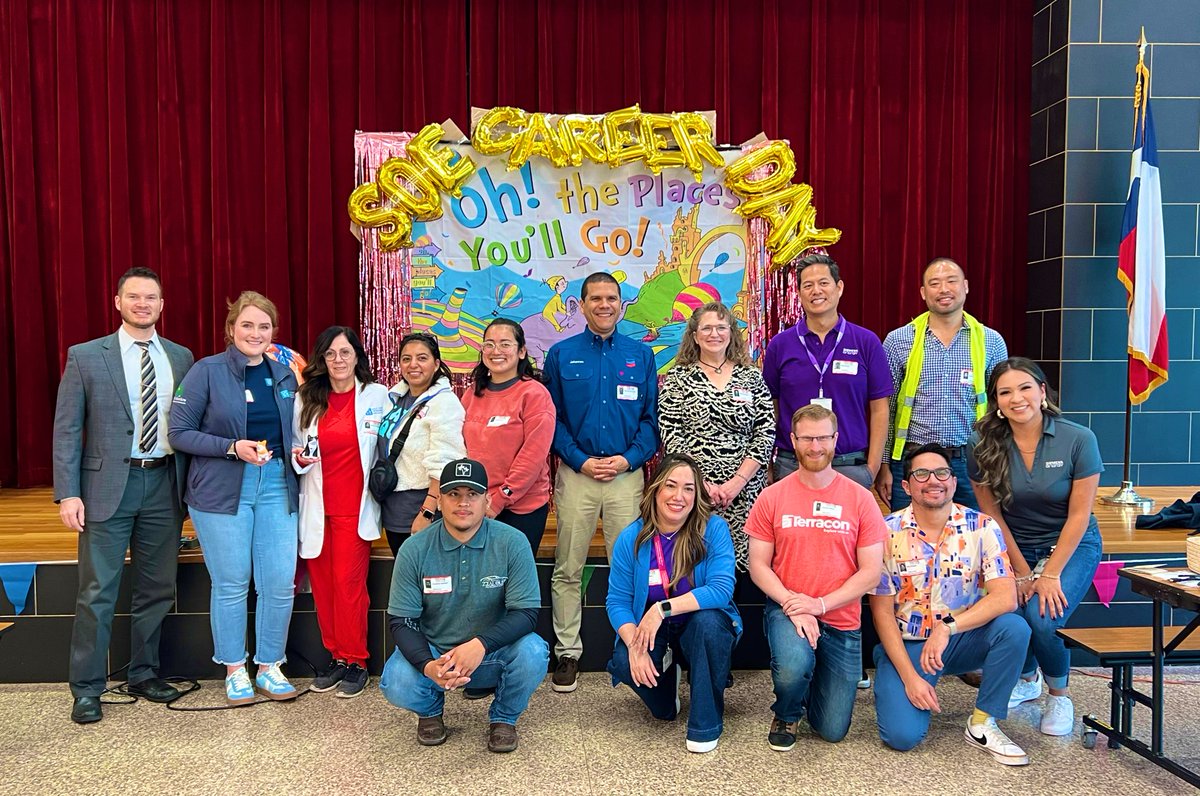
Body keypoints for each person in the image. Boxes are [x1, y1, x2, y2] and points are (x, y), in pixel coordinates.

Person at [53, 267, 194, 724]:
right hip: (104, 488)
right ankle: (87, 688)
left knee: (156, 588)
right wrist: (67, 494)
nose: (142, 304)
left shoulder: (180, 357)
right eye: (133, 297)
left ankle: (144, 672)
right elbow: (67, 429)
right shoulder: (86, 356)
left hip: (163, 485)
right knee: (97, 590)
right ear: (118, 302)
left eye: (150, 297)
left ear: (161, 304)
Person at [168, 291, 301, 705]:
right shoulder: (205, 371)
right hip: (221, 489)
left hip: (277, 482)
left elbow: (296, 427)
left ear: (273, 333)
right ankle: (233, 669)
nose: (255, 333)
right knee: (231, 583)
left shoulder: (284, 373)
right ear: (231, 330)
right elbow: (179, 433)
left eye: (264, 326)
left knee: (279, 582)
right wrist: (231, 447)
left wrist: (298, 451)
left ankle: (269, 666)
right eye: (247, 325)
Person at [870, 443, 1031, 765]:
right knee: (901, 737)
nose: (934, 480)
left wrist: (948, 629)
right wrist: (910, 677)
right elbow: (881, 613)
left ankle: (983, 722)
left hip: (961, 640)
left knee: (1014, 628)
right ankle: (893, 669)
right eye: (922, 474)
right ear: (906, 485)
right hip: (909, 645)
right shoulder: (885, 533)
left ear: (953, 481)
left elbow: (1005, 596)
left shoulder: (982, 527)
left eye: (942, 472)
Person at [967, 357, 1103, 736]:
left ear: (1043, 392)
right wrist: (1023, 573)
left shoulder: (1078, 439)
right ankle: (1028, 680)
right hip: (1012, 544)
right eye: (1005, 392)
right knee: (1012, 608)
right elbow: (991, 515)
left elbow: (1079, 517)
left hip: (1070, 544)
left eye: (1025, 387)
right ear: (995, 401)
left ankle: (1059, 694)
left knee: (1044, 617)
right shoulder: (980, 442)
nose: (1016, 398)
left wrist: (1049, 574)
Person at [379, 458, 548, 753]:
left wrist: (481, 645)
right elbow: (401, 621)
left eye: (472, 494)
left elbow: (526, 614)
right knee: (396, 680)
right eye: (453, 494)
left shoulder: (513, 542)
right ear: (440, 500)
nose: (463, 502)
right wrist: (427, 664)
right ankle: (430, 712)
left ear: (487, 500)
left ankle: (504, 717)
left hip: (491, 653)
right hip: (436, 653)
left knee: (533, 651)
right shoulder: (414, 549)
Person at [543, 271, 658, 693]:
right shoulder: (560, 354)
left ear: (622, 304)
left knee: (627, 568)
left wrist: (627, 460)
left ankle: (628, 648)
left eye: (611, 297)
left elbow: (651, 421)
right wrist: (580, 460)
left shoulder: (640, 356)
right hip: (577, 476)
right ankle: (568, 653)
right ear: (582, 303)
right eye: (596, 298)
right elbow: (550, 420)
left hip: (626, 478)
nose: (604, 304)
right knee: (568, 567)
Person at [745, 404, 885, 750]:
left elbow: (871, 573)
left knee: (832, 729)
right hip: (787, 609)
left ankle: (812, 679)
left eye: (823, 437)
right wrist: (796, 604)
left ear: (836, 440)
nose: (815, 446)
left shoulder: (861, 499)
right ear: (793, 440)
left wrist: (819, 604)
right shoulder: (772, 496)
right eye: (807, 438)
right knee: (793, 666)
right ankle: (788, 710)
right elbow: (758, 565)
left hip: (840, 617)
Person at [605, 453, 741, 753]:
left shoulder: (713, 530)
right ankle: (667, 693)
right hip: (655, 632)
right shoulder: (633, 538)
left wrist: (661, 609)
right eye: (671, 486)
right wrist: (635, 647)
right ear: (655, 489)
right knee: (626, 665)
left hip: (699, 626)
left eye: (689, 488)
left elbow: (721, 590)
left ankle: (705, 724)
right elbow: (617, 601)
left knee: (708, 624)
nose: (679, 496)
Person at [292, 326, 391, 697]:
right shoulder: (306, 399)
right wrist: (298, 458)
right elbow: (294, 448)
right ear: (321, 359)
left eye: (345, 353)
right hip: (318, 507)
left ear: (357, 357)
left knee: (349, 588)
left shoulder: (377, 394)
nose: (338, 360)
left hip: (355, 509)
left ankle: (357, 661)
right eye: (330, 354)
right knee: (323, 589)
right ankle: (335, 656)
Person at [877, 257, 1008, 511]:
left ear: (966, 286)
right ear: (924, 293)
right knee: (907, 541)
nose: (944, 289)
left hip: (972, 461)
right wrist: (883, 466)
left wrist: (999, 461)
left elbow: (999, 408)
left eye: (951, 281)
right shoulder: (898, 341)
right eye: (934, 283)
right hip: (911, 461)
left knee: (973, 538)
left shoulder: (991, 342)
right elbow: (886, 410)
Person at [659, 302, 774, 570]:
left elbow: (766, 431)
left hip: (745, 491)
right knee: (698, 564)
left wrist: (737, 482)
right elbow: (671, 432)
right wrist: (702, 484)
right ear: (695, 335)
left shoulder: (752, 377)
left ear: (732, 333)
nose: (714, 334)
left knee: (745, 567)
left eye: (721, 327)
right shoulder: (678, 377)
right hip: (693, 493)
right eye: (707, 328)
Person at [763, 254, 891, 489]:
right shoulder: (780, 345)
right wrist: (768, 465)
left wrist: (872, 467)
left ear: (839, 287)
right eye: (807, 285)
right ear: (799, 293)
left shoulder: (866, 342)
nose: (816, 291)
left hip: (850, 465)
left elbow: (880, 409)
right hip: (792, 466)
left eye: (823, 283)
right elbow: (771, 409)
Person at [461, 318, 555, 555]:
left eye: (505, 344)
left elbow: (532, 457)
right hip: (476, 504)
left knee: (511, 583)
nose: (496, 351)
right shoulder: (472, 394)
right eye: (489, 344)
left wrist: (500, 499)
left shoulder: (534, 394)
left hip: (520, 509)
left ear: (521, 351)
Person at [378, 332, 466, 555]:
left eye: (422, 358)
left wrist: (427, 513)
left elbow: (445, 462)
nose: (413, 364)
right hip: (393, 511)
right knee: (407, 582)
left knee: (431, 583)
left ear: (436, 364)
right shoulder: (393, 399)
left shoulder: (444, 403)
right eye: (406, 359)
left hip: (422, 510)